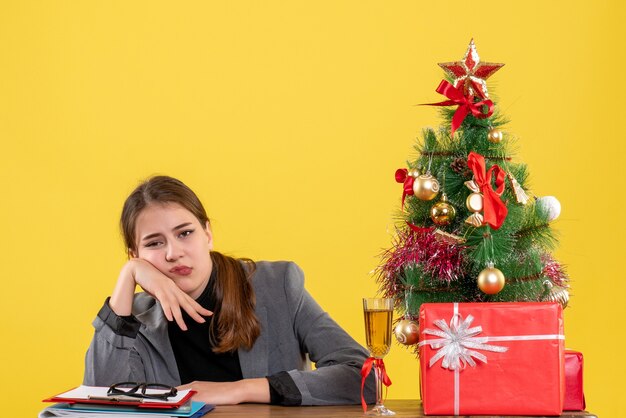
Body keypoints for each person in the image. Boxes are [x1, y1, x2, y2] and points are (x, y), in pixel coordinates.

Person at [83, 175, 375, 406]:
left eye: (185, 233)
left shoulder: (277, 285)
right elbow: (99, 405)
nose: (173, 253)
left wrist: (240, 390)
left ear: (207, 234)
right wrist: (128, 276)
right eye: (154, 243)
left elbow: (364, 376)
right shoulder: (132, 320)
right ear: (134, 254)